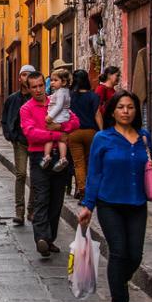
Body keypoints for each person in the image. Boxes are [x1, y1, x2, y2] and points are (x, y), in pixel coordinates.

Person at [78, 90, 152, 302]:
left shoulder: (144, 137)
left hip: (137, 203)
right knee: (118, 251)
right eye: (121, 107)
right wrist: (88, 205)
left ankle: (120, 280)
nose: (126, 111)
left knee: (135, 254)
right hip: (109, 203)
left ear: (136, 111)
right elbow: (94, 173)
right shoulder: (102, 138)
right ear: (113, 112)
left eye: (130, 107)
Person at [20, 71, 80, 257]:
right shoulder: (26, 109)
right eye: (34, 87)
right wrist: (56, 135)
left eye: (40, 85)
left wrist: (62, 128)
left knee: (56, 201)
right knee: (41, 197)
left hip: (59, 157)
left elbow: (75, 121)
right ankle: (42, 239)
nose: (38, 90)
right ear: (28, 89)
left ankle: (50, 238)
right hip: (39, 157)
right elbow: (30, 133)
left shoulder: (55, 101)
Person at [1, 65, 35, 225]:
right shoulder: (12, 99)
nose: (26, 78)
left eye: (29, 75)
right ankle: (19, 211)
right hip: (20, 141)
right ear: (19, 77)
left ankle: (32, 210)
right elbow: (5, 118)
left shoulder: (39, 98)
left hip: (37, 142)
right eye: (23, 75)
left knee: (36, 178)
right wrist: (10, 135)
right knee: (21, 174)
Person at [68, 69, 103, 200]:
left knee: (78, 163)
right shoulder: (93, 96)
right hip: (91, 133)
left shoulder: (70, 96)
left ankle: (81, 190)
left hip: (74, 133)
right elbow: (97, 114)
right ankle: (88, 189)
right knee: (89, 163)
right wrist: (102, 131)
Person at [42, 68, 72, 171]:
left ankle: (46, 156)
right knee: (61, 139)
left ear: (63, 82)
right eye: (51, 80)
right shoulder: (65, 91)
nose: (52, 83)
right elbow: (54, 98)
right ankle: (63, 158)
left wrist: (50, 116)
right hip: (64, 117)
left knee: (49, 137)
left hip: (57, 118)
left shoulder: (60, 92)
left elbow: (58, 106)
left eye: (55, 80)